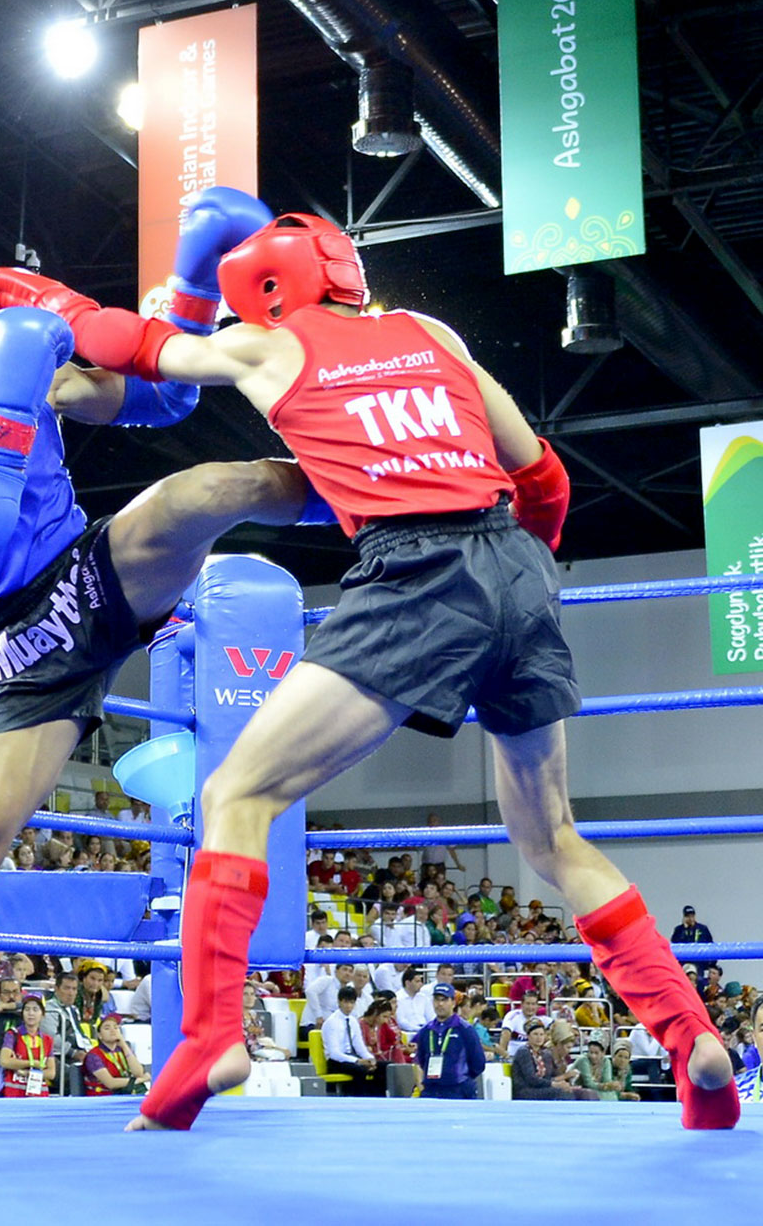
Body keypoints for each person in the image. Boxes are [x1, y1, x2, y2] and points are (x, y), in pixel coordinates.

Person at [64, 205, 737, 1131]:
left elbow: (139, 349)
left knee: (235, 795)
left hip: (415, 571)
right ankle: (691, 1035)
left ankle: (211, 1034)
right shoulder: (428, 330)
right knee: (553, 842)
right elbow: (544, 478)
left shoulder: (266, 348)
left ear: (263, 294)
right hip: (516, 563)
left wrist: (44, 307)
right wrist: (511, 596)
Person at [0, 203, 319, 1127]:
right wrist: (11, 399)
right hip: (23, 643)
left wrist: (189, 281)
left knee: (208, 487)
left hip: (98, 570)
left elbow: (166, 401)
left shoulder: (36, 370)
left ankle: (381, 498)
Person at [415, 981, 486, 1100]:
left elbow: (478, 1063)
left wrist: (461, 1079)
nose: (440, 1004)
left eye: (444, 1000)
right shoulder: (426, 1030)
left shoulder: (465, 1029)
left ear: (453, 1003)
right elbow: (421, 1060)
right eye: (437, 1000)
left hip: (457, 1090)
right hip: (431, 1090)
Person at [319, 986, 382, 1095]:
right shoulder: (331, 1022)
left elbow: (359, 1046)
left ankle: (377, 1098)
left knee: (382, 1067)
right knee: (360, 1070)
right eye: (346, 1002)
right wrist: (357, 1061)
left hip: (352, 1057)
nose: (349, 1006)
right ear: (339, 1002)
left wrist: (370, 1058)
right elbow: (334, 1053)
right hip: (336, 1061)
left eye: (352, 1003)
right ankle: (357, 1099)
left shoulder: (353, 1021)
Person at [0, 994, 55, 1098]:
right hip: (14, 1094)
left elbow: (51, 1073)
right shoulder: (12, 1035)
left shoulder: (48, 1040)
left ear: (43, 1014)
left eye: (35, 1009)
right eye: (27, 1009)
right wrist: (32, 1063)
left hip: (40, 1095)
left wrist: (26, 1073)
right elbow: (4, 1061)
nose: (31, 1013)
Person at [83, 1014, 150, 1096]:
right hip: (103, 1097)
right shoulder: (94, 1055)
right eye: (107, 1028)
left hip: (124, 1093)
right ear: (99, 1035)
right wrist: (139, 1080)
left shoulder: (122, 1050)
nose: (113, 1030)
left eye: (116, 1027)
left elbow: (138, 1072)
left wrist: (124, 1045)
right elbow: (110, 1083)